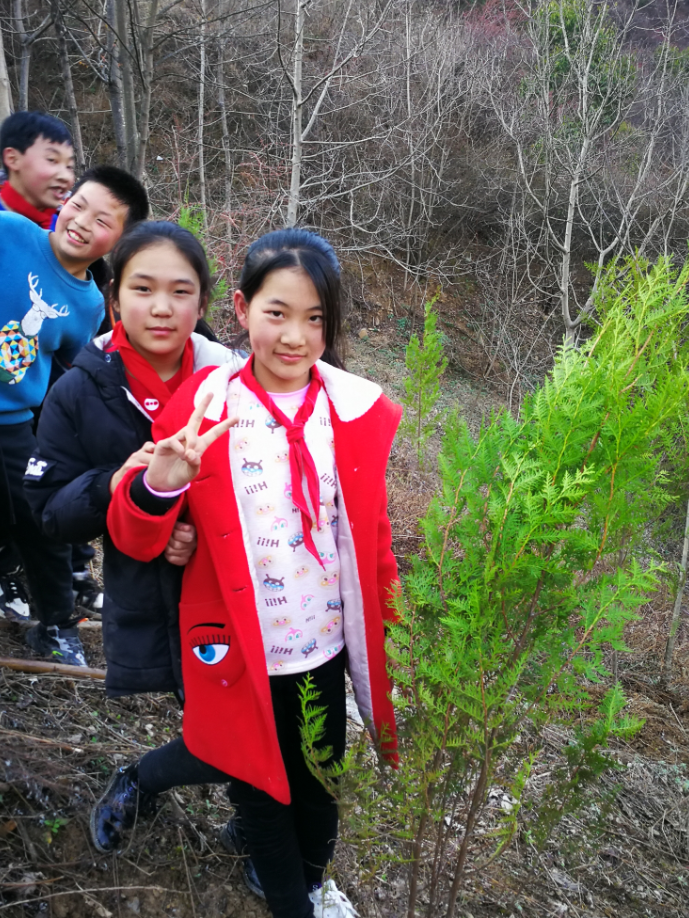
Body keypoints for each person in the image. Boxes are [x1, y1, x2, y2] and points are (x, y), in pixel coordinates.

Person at [103, 228, 401, 918]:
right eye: (276, 313)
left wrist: (389, 625)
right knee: (258, 782)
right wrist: (161, 484)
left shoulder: (350, 413)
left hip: (322, 641)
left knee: (319, 781)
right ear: (240, 308)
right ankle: (286, 896)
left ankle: (304, 878)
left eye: (315, 318)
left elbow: (371, 534)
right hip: (236, 641)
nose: (294, 335)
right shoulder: (208, 404)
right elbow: (132, 532)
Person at [0, 164, 149, 666]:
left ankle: (56, 625)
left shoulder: (89, 304)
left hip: (13, 421)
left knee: (37, 521)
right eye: (79, 204)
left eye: (103, 220)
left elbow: (67, 370)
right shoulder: (13, 232)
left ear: (119, 241)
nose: (83, 222)